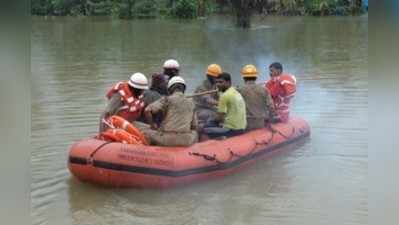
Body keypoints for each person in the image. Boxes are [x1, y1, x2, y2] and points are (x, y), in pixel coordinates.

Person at [137, 76, 198, 146]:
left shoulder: (167, 99)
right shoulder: (191, 102)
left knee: (142, 129)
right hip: (186, 141)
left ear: (170, 89)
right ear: (183, 89)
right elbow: (194, 126)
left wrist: (152, 125)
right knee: (195, 133)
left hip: (167, 140)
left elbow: (147, 110)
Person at [203, 72, 247, 139]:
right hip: (242, 127)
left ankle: (214, 143)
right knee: (213, 121)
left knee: (205, 128)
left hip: (232, 130)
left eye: (221, 82)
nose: (218, 84)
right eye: (217, 82)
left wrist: (212, 118)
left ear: (228, 82)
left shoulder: (225, 96)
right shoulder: (235, 92)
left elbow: (220, 118)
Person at [237, 64, 279, 131]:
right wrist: (270, 121)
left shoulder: (239, 90)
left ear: (243, 78)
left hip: (245, 124)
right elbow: (271, 108)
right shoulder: (264, 90)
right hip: (260, 124)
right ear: (256, 77)